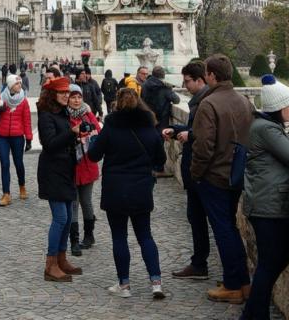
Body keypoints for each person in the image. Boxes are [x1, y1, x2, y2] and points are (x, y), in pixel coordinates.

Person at [242, 76, 289, 320]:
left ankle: (252, 314)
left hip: (267, 203)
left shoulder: (266, 126)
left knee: (272, 262)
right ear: (278, 107)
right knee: (271, 263)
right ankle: (254, 315)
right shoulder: (266, 129)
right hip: (268, 205)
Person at [87, 86, 168, 300]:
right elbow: (161, 160)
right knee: (145, 235)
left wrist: (93, 139)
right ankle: (156, 282)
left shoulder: (111, 127)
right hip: (141, 188)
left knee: (119, 237)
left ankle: (124, 285)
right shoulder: (149, 127)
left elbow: (94, 156)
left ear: (117, 104)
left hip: (116, 189)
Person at [190, 54, 253, 304]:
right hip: (236, 174)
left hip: (215, 176)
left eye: (206, 73)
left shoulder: (209, 104)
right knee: (230, 228)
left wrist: (195, 174)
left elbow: (203, 146)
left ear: (212, 76)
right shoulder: (244, 101)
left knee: (224, 230)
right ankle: (242, 282)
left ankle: (233, 285)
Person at [162, 59, 210, 280]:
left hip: (201, 171)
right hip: (197, 170)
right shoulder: (200, 101)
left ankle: (202, 264)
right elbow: (195, 130)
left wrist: (189, 134)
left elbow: (207, 134)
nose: (185, 85)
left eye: (187, 81)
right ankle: (199, 263)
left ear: (200, 80)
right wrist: (177, 129)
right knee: (196, 218)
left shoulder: (205, 103)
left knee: (203, 220)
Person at [37, 76, 82, 282]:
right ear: (53, 94)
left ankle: (62, 259)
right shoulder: (46, 115)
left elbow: (64, 141)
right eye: (62, 92)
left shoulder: (63, 112)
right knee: (61, 218)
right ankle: (51, 264)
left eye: (67, 92)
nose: (66, 95)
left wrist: (77, 138)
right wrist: (71, 133)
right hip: (52, 171)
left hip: (65, 170)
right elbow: (49, 144)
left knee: (68, 217)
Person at [66, 83, 101, 255]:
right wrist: (74, 137)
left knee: (86, 202)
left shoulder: (87, 114)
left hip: (87, 165)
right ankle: (74, 239)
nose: (76, 100)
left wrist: (86, 135)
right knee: (73, 203)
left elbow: (98, 132)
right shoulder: (64, 115)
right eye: (73, 97)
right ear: (68, 99)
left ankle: (89, 236)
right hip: (71, 166)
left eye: (79, 97)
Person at [0, 74, 34, 206]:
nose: (20, 85)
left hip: (17, 136)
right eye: (17, 83)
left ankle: (22, 186)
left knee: (18, 162)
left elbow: (27, 121)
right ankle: (6, 194)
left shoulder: (23, 101)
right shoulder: (1, 97)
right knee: (4, 164)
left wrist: (29, 139)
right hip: (2, 136)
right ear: (10, 85)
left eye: (20, 83)